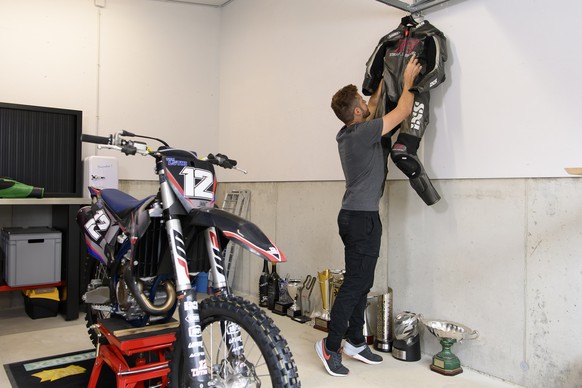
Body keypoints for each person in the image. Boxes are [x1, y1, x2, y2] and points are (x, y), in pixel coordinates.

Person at [315, 53, 422, 377]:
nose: (367, 103)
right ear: (357, 113)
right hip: (360, 219)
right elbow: (403, 111)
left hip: (357, 216)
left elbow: (373, 106)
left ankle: (355, 342)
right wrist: (408, 82)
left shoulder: (350, 132)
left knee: (361, 282)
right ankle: (331, 346)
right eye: (362, 101)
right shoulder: (364, 133)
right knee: (354, 285)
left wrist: (377, 84)